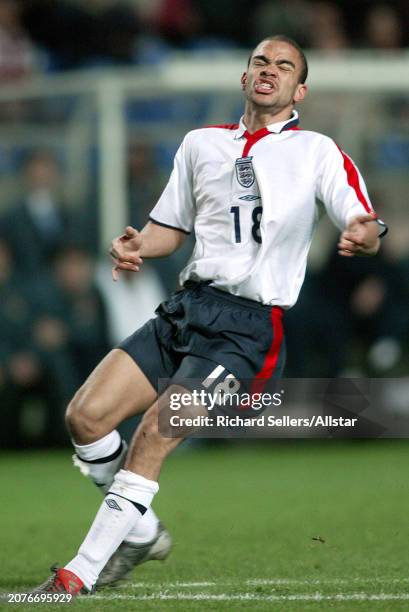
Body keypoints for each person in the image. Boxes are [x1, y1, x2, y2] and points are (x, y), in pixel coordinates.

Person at [34, 34, 387, 594]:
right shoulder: (201, 143)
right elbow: (169, 230)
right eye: (260, 61)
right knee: (86, 416)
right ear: (245, 76)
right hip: (187, 308)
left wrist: (364, 232)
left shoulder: (316, 151)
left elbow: (360, 216)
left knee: (154, 429)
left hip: (247, 329)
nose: (269, 70)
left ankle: (80, 573)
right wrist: (135, 246)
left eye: (285, 66)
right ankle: (141, 531)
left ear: (301, 88)